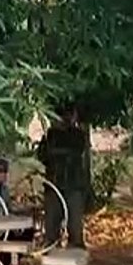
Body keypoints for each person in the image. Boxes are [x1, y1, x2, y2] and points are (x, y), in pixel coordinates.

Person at [36, 107, 90, 249]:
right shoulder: (50, 135)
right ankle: (51, 251)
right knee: (51, 226)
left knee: (75, 226)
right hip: (54, 184)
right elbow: (43, 155)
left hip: (73, 184)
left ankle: (75, 252)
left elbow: (75, 151)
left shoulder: (77, 135)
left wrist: (55, 152)